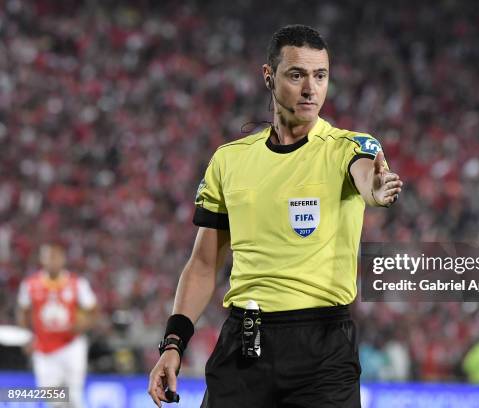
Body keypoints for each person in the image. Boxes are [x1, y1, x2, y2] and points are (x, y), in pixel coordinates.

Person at [148, 24, 402, 408]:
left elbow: (367, 176)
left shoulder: (347, 147)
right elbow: (203, 264)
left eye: (321, 76)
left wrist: (376, 191)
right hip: (244, 344)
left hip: (323, 350)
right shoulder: (230, 160)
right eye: (297, 74)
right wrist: (173, 344)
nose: (310, 89)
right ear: (269, 76)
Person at [16, 243, 98, 408]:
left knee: (74, 393)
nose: (52, 261)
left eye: (55, 256)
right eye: (48, 256)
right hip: (44, 348)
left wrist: (82, 325)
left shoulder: (77, 283)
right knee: (54, 398)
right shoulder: (30, 284)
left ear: (62, 259)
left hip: (71, 345)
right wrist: (27, 337)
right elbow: (23, 311)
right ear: (41, 259)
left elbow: (93, 311)